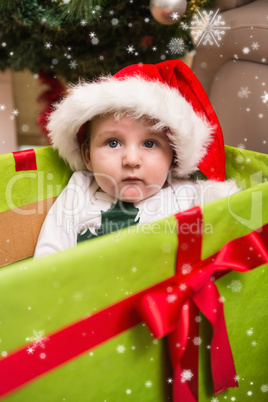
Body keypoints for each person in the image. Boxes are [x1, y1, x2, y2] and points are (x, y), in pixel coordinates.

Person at [34, 59, 239, 258]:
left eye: (149, 144)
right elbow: (50, 251)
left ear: (173, 156)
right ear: (87, 156)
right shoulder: (80, 188)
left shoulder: (187, 194)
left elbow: (224, 236)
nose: (131, 160)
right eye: (113, 143)